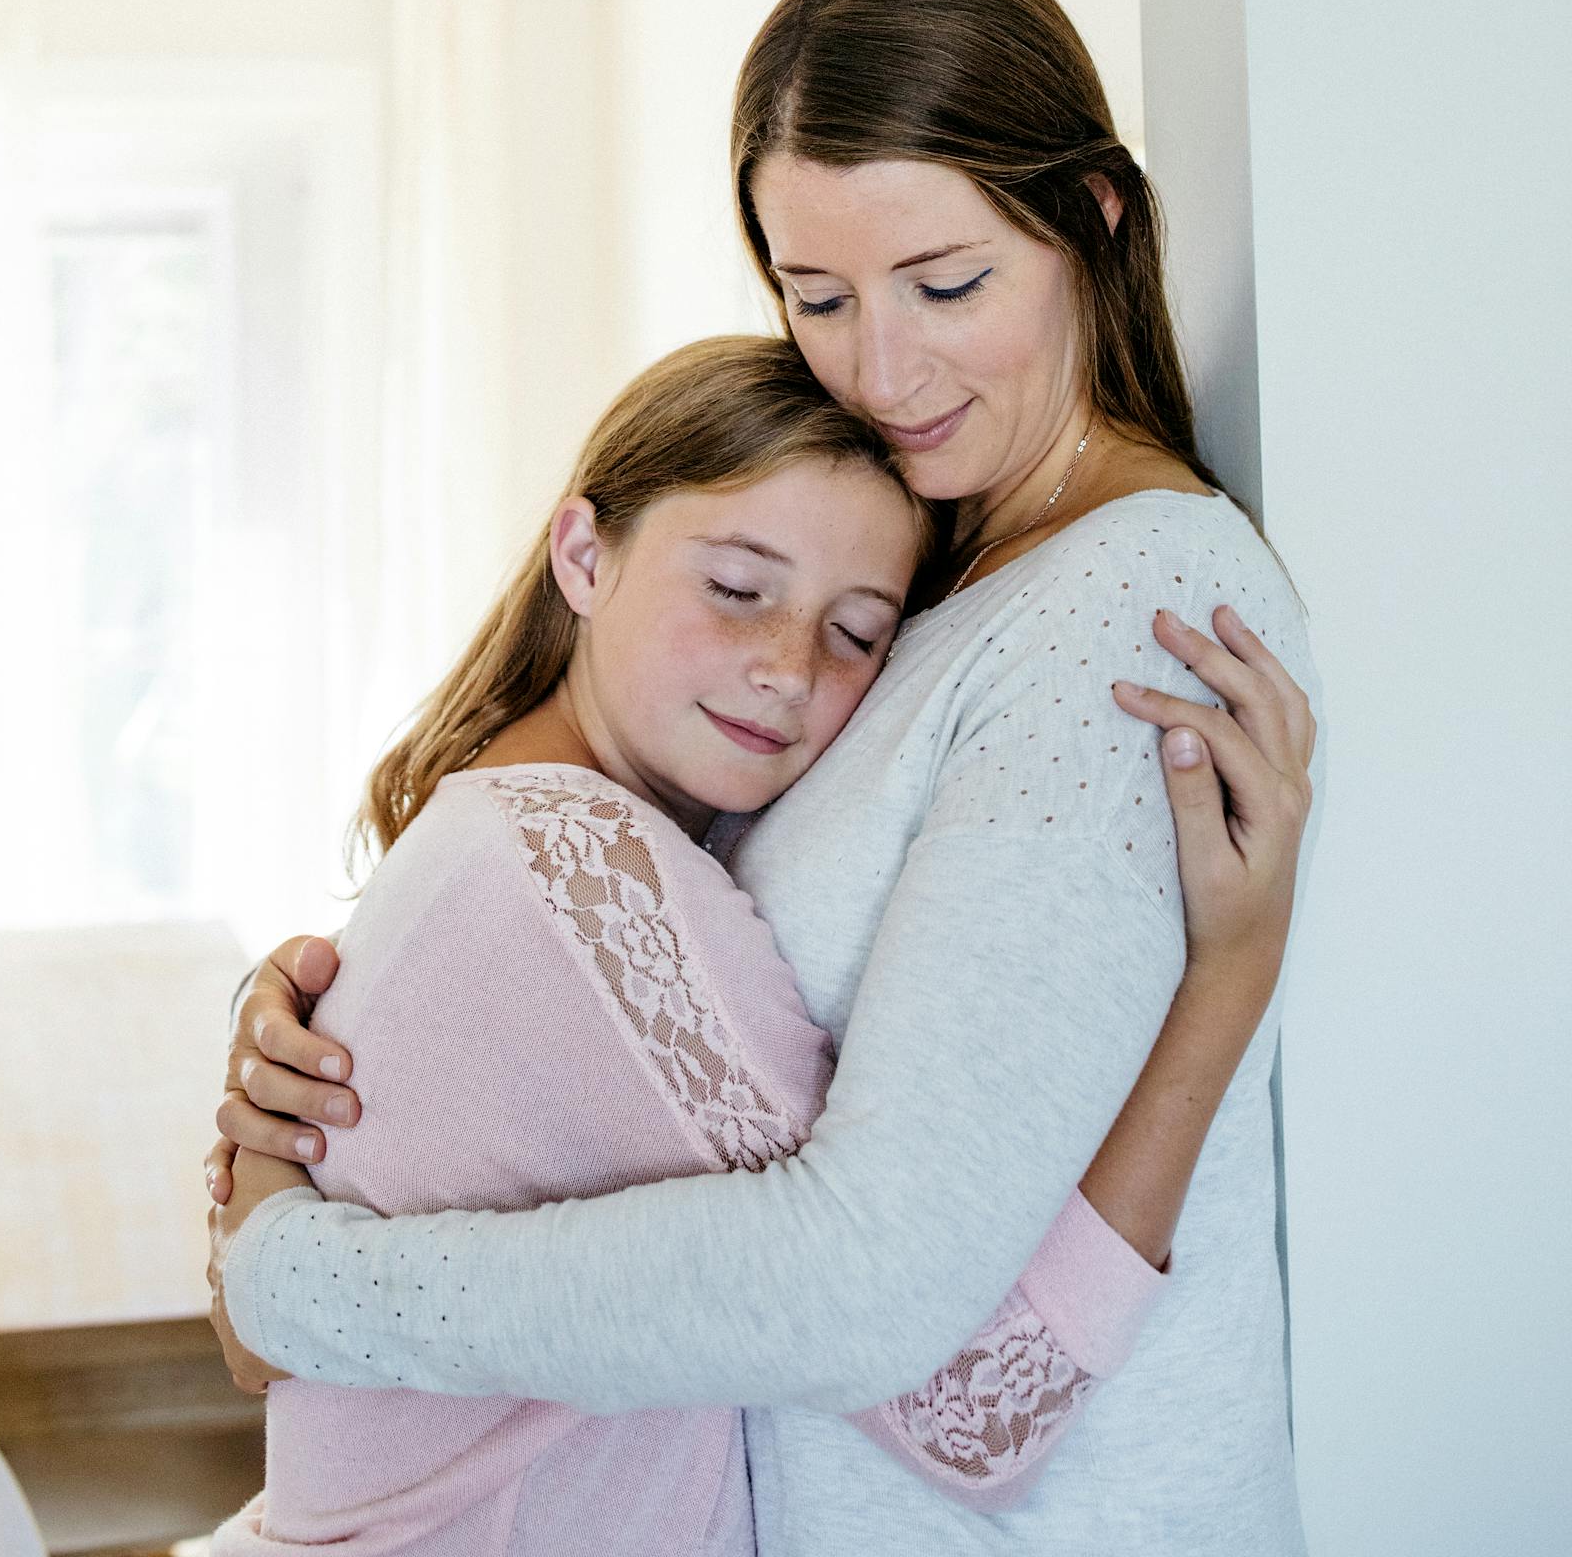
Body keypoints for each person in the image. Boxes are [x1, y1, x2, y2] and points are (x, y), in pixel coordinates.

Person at [207, 0, 1321, 1554]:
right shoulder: (927, 560)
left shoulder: (1129, 600)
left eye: (948, 285)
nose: (882, 368)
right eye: (818, 296)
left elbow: (890, 1307)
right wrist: (327, 1036)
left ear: (1086, 218)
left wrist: (317, 1280)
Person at [209, 334, 1220, 1553]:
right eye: (738, 589)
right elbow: (974, 1407)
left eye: (856, 633)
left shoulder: (503, 825)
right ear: (585, 555)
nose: (788, 670)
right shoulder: (581, 877)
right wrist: (1230, 973)